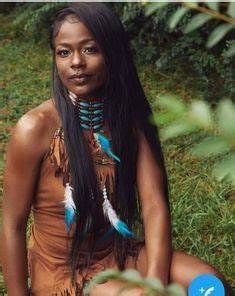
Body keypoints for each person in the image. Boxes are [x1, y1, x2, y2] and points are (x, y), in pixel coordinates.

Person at [1, 3, 227, 296]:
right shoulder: (35, 128)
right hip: (66, 272)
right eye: (64, 52)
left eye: (90, 49)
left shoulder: (128, 119)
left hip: (119, 253)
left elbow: (154, 205)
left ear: (112, 53)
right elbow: (12, 222)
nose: (76, 62)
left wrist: (154, 284)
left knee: (210, 284)